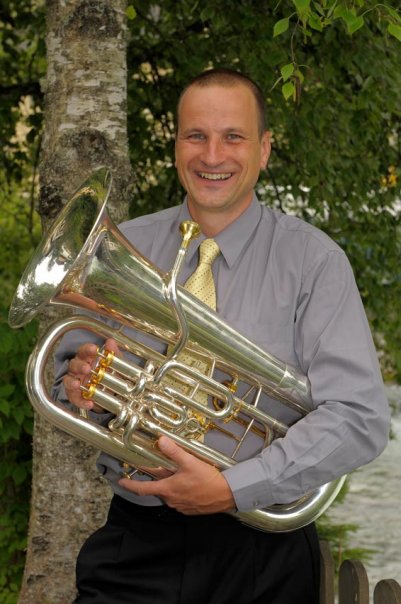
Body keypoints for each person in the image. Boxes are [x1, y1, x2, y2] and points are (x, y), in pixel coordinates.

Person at [53, 68, 390, 604]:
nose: (213, 155)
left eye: (233, 136)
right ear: (176, 147)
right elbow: (66, 373)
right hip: (137, 540)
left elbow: (359, 416)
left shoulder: (313, 261)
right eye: (196, 136)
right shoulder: (119, 247)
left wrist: (234, 487)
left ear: (264, 149)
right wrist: (78, 386)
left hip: (263, 551)